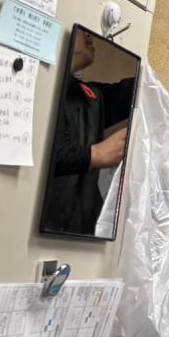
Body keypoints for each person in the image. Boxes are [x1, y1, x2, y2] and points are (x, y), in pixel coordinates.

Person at [45, 29, 135, 236]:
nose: (89, 35)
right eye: (82, 31)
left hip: (82, 229)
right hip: (36, 225)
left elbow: (131, 92)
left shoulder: (91, 97)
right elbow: (34, 157)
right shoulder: (36, 89)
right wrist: (94, 154)